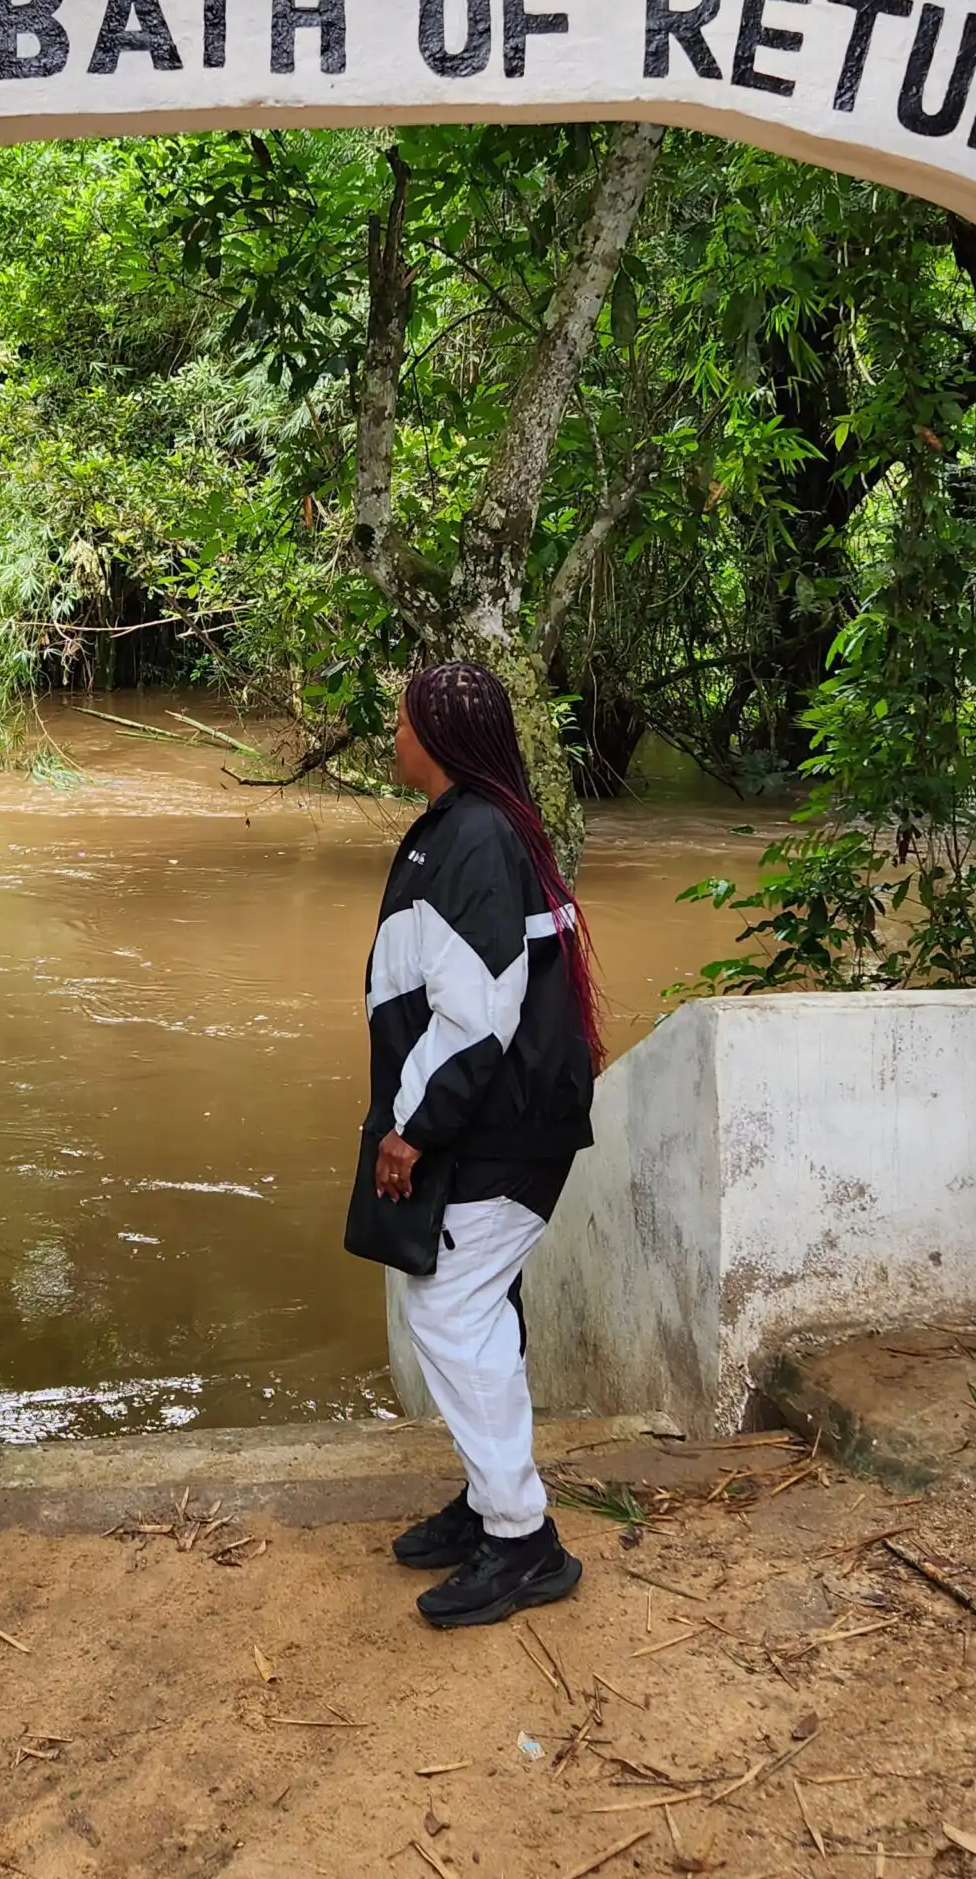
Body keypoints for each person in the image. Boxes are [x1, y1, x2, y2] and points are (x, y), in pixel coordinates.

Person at [363, 660, 603, 1628]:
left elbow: (477, 1013)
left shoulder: (476, 836)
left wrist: (411, 1130)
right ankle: (486, 1496)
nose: (392, 735)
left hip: (497, 1124)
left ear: (441, 737)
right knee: (475, 1304)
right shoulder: (474, 826)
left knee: (452, 1309)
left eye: (402, 721)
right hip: (506, 1115)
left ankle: (520, 1538)